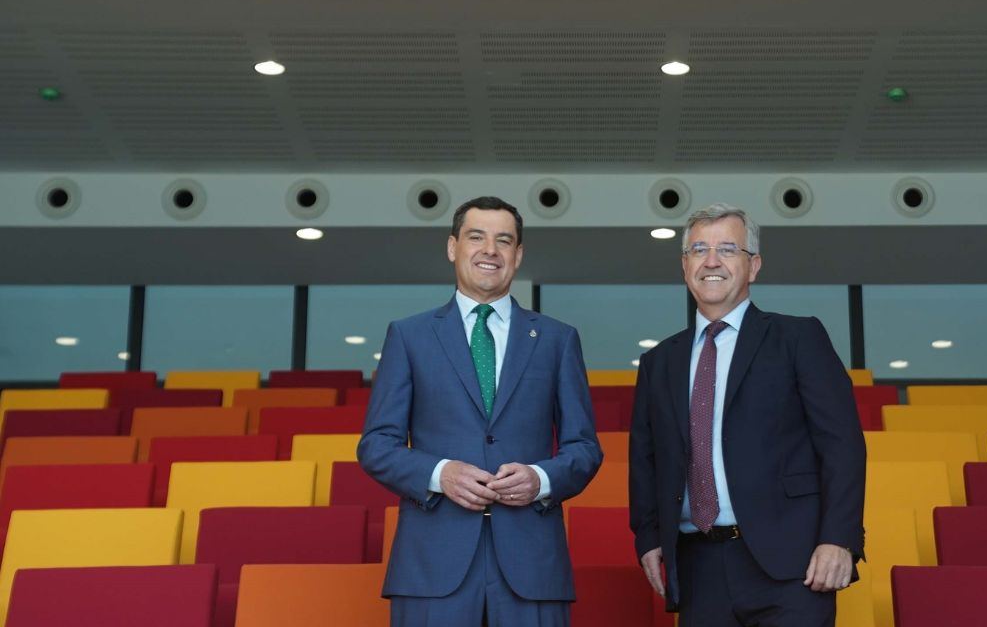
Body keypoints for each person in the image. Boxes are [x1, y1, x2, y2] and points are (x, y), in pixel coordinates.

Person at [358, 196, 603, 627]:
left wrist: (541, 479)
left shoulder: (557, 339)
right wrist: (441, 474)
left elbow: (583, 447)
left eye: (503, 241)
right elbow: (377, 445)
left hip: (532, 567)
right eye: (477, 237)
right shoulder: (408, 336)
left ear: (518, 255)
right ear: (453, 247)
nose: (490, 250)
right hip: (432, 566)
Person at [629, 202, 866, 627]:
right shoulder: (659, 362)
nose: (712, 261)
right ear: (685, 265)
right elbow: (645, 459)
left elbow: (843, 445)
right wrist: (647, 536)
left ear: (753, 266)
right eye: (699, 250)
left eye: (728, 249)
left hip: (793, 567)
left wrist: (839, 540)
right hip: (698, 565)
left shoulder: (798, 337)